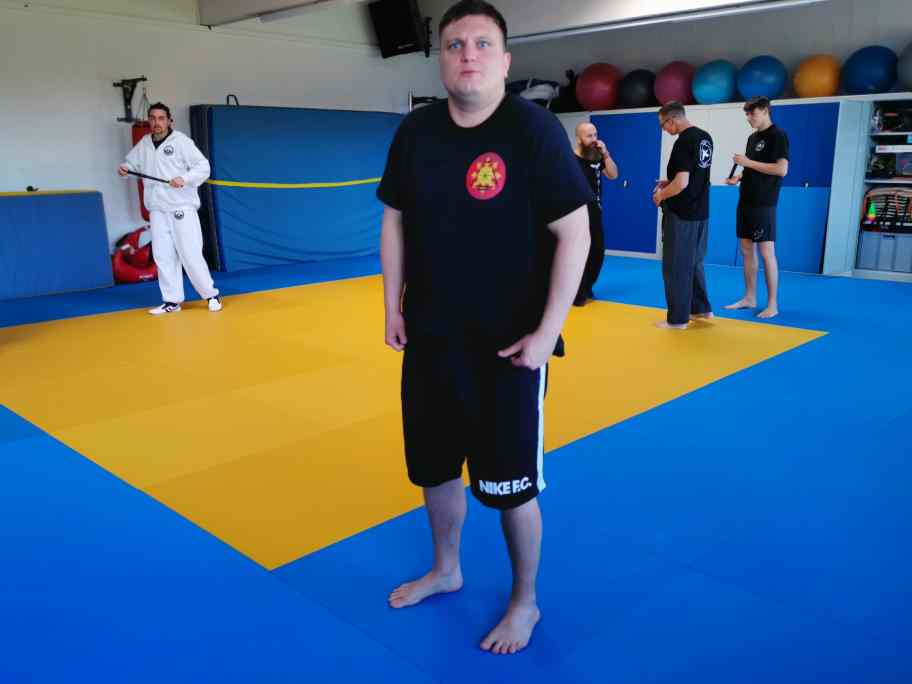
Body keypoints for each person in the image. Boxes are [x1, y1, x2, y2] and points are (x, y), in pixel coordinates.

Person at [377, 0, 592, 656]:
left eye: (481, 44)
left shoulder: (532, 131)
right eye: (453, 44)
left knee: (511, 487)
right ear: (441, 60)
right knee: (435, 469)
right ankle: (446, 569)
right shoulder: (416, 133)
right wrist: (391, 306)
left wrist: (547, 332)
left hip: (509, 348)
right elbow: (394, 219)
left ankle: (525, 601)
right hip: (431, 339)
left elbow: (575, 233)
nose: (467, 54)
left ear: (504, 60)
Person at [118, 102, 222, 315]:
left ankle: (211, 295)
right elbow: (131, 163)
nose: (156, 122)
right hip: (157, 209)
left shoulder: (181, 142)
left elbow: (203, 167)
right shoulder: (144, 144)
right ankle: (172, 301)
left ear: (169, 121)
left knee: (190, 254)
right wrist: (125, 168)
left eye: (161, 118)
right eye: (152, 118)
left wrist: (184, 178)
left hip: (181, 207)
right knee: (163, 256)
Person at [724, 96, 789, 319]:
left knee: (766, 252)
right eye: (747, 114)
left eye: (752, 113)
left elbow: (781, 169)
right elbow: (753, 168)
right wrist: (739, 177)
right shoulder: (752, 138)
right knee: (746, 249)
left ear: (765, 111)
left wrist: (748, 163)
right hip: (746, 199)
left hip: (764, 202)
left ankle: (772, 304)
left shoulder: (778, 135)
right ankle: (749, 297)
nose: (748, 118)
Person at [652, 101, 714, 329]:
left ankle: (678, 319)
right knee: (694, 261)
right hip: (701, 211)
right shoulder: (704, 137)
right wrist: (669, 182)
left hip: (682, 214)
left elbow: (682, 183)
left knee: (676, 265)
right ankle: (701, 309)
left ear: (672, 120)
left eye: (663, 124)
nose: (664, 129)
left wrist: (661, 195)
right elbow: (694, 176)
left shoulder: (683, 141)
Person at [573, 121, 618, 306]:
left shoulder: (597, 157)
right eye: (589, 136)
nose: (594, 139)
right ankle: (577, 292)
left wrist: (606, 153)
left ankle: (587, 286)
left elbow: (613, 175)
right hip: (576, 213)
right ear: (579, 139)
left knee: (597, 252)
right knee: (578, 254)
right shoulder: (569, 160)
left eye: (595, 135)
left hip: (595, 211)